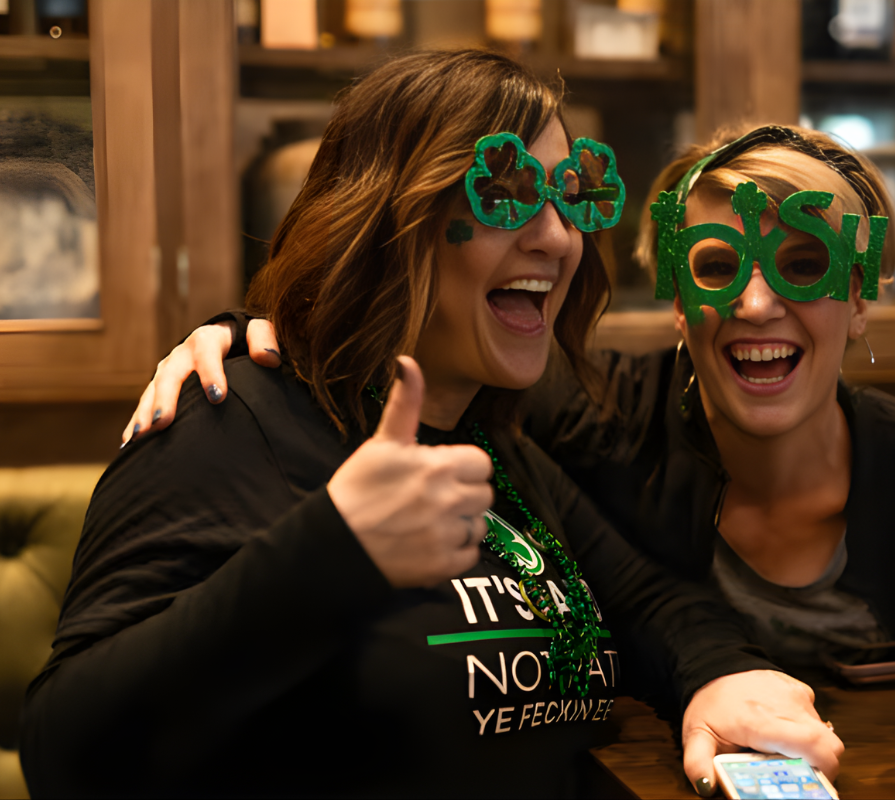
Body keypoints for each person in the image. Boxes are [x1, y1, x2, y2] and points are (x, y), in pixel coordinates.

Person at [22, 51, 842, 799]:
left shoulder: (494, 442)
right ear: (387, 217)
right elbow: (65, 750)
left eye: (567, 198)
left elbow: (653, 601)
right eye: (509, 192)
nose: (558, 239)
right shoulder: (228, 419)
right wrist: (330, 551)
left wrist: (718, 677)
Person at [139, 123, 895, 673]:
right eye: (715, 266)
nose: (756, 303)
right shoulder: (594, 419)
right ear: (676, 299)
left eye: (804, 265)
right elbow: (423, 333)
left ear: (859, 300)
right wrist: (255, 329)